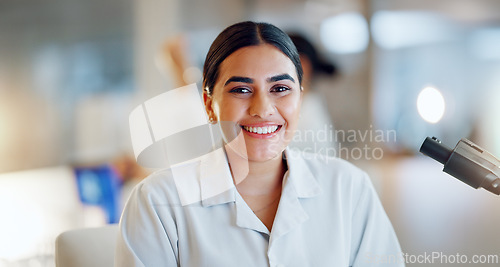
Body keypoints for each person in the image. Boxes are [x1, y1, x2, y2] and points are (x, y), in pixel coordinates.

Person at [115, 21, 404, 266]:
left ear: (300, 99)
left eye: (280, 89)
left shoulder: (349, 188)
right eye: (241, 90)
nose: (262, 108)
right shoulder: (157, 202)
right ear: (208, 104)